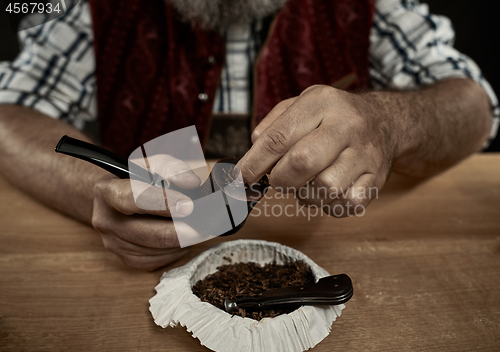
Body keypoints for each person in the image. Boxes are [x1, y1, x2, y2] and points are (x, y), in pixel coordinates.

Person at [0, 0, 497, 270]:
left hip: (330, 262)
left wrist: (388, 122)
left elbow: (475, 104)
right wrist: (106, 193)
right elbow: (8, 114)